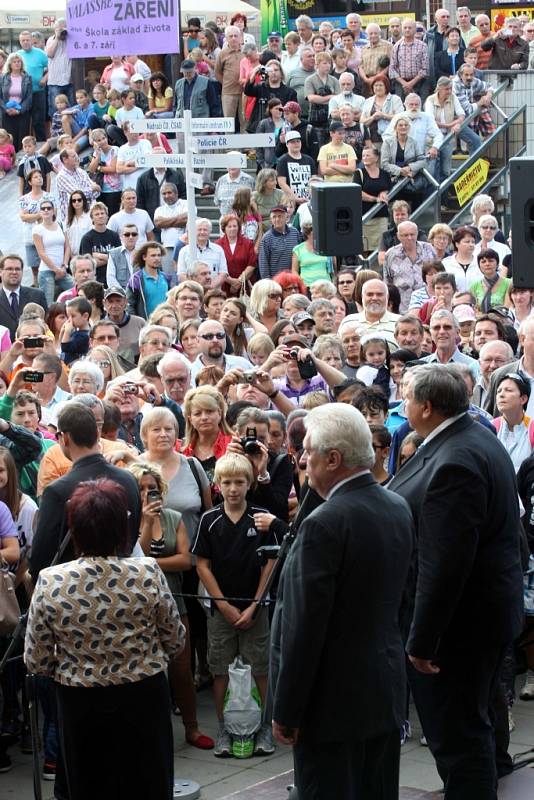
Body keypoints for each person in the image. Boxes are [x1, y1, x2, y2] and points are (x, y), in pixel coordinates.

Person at [389, 364, 523, 798]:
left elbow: (444, 564)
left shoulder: (457, 460)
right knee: (480, 724)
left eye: (406, 397)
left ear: (427, 406)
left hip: (459, 633)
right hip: (483, 619)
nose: (402, 405)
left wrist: (422, 641)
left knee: (460, 740)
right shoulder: (471, 436)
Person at [271, 403, 413, 796]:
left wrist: (286, 710)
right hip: (382, 693)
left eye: (308, 450)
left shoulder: (325, 524)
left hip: (331, 707)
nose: (301, 459)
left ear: (333, 458)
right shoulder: (396, 505)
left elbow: (303, 627)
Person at [25, 476, 183, 800]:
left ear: (76, 528)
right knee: (147, 786)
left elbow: (36, 659)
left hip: (80, 703)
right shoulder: (147, 572)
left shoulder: (51, 581)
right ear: (122, 526)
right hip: (143, 699)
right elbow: (175, 639)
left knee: (89, 787)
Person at [191, 452, 278, 757]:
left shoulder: (262, 516)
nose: (233, 488)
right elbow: (202, 564)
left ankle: (264, 727)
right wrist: (223, 605)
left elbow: (271, 562)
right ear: (217, 485)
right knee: (220, 669)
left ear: (249, 483)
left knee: (260, 668)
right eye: (226, 482)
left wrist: (255, 604)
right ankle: (225, 728)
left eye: (239, 482)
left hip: (257, 608)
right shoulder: (209, 519)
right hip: (220, 611)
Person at [383, 222, 436, 313]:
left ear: (417, 234)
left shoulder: (428, 249)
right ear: (398, 236)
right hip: (402, 309)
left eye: (412, 234)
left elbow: (439, 274)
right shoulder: (391, 254)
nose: (410, 238)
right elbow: (387, 282)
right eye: (405, 235)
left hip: (428, 308)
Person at [32, 199, 73, 306]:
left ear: (53, 211)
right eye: (43, 208)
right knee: (48, 305)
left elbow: (67, 247)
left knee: (77, 292)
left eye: (49, 208)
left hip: (62, 269)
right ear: (40, 212)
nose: (46, 210)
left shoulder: (60, 224)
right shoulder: (37, 229)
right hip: (46, 271)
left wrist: (64, 266)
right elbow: (41, 253)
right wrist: (55, 269)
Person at [214, 215, 257, 296]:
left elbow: (251, 265)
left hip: (245, 287)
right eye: (229, 226)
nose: (232, 229)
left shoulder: (248, 243)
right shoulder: (217, 245)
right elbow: (217, 267)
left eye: (235, 226)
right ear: (224, 228)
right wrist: (231, 281)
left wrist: (239, 281)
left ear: (239, 228)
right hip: (224, 287)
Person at [389, 19, 429, 103]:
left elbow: (425, 69)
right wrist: (404, 83)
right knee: (400, 109)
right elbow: (392, 69)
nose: (407, 30)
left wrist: (411, 83)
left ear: (415, 29)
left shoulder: (423, 46)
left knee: (419, 108)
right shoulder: (396, 46)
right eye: (405, 27)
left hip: (419, 83)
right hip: (400, 84)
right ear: (402, 29)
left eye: (410, 28)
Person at [0, 53, 32, 152]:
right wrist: (6, 109)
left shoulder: (27, 78)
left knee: (22, 139)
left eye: (19, 62)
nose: (17, 64)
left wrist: (19, 110)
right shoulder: (3, 78)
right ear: (10, 64)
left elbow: (29, 98)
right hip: (7, 112)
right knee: (9, 139)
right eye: (14, 62)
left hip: (22, 112)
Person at [258, 207, 302, 280]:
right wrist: (269, 283)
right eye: (274, 217)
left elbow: (300, 255)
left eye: (280, 216)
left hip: (293, 281)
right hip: (276, 282)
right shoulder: (267, 238)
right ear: (271, 220)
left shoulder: (295, 233)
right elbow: (263, 264)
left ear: (286, 218)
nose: (277, 219)